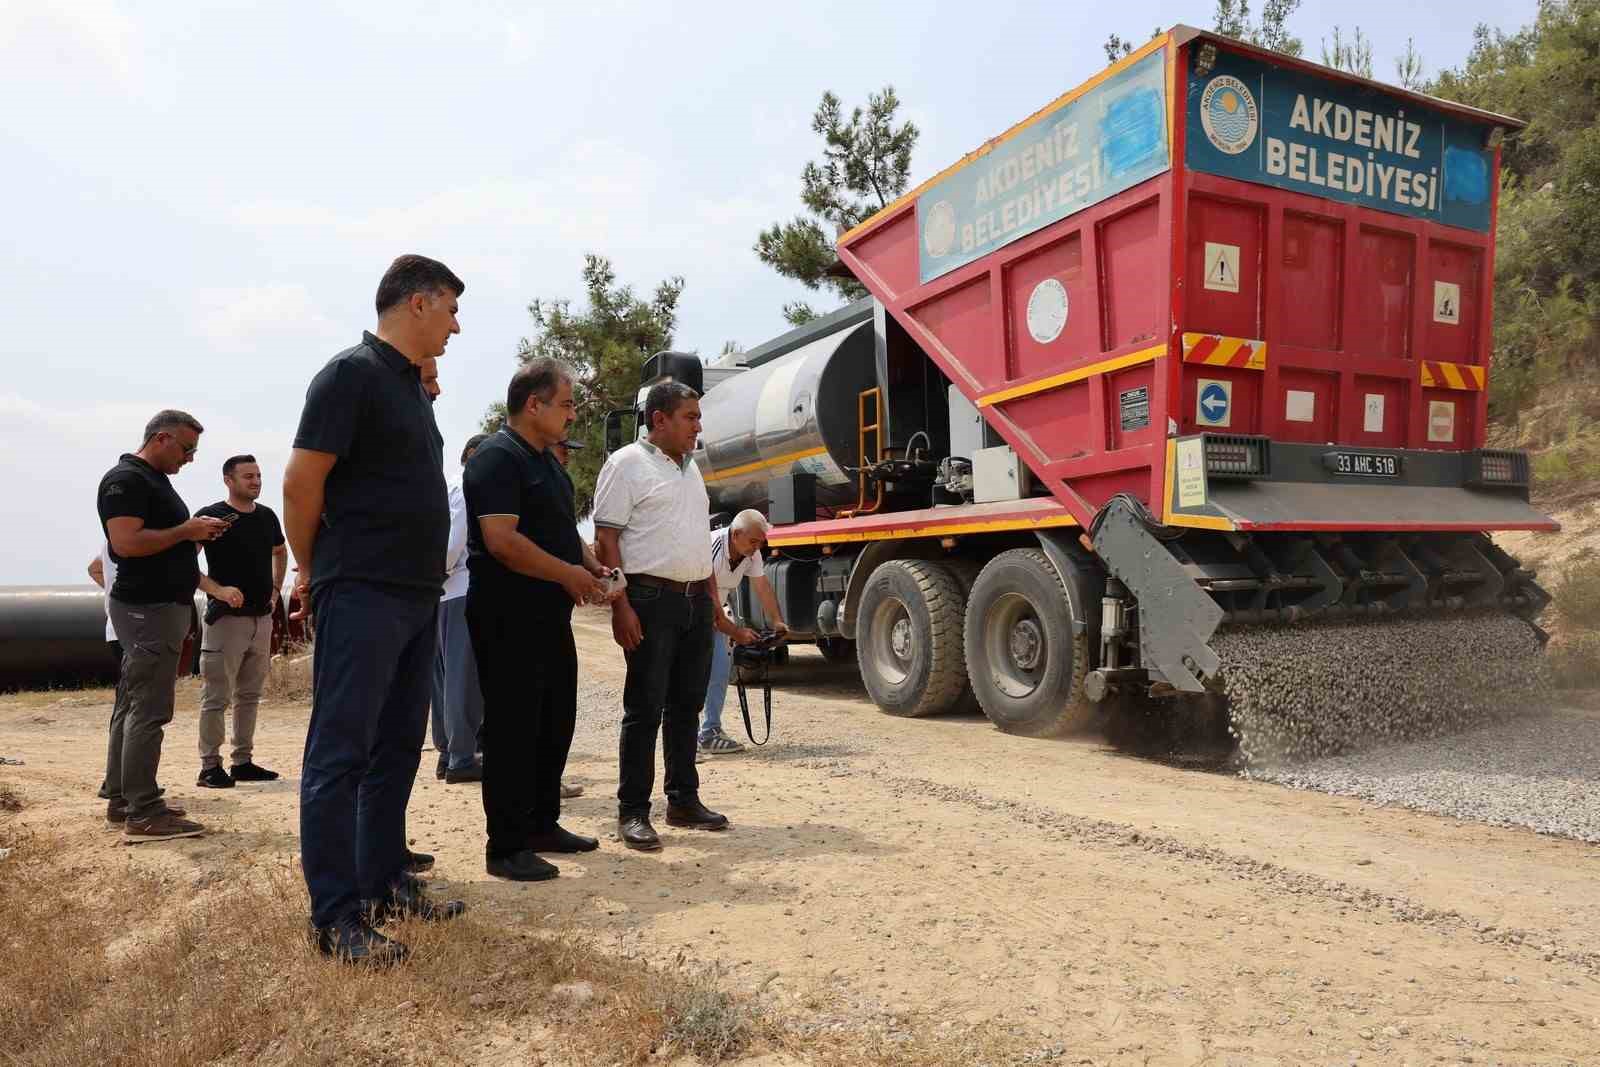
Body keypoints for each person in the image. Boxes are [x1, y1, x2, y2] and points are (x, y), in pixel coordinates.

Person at [284, 254, 467, 965]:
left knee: (396, 748)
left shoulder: (414, 393)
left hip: (417, 595)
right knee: (341, 753)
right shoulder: (349, 376)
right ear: (417, 303)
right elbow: (302, 485)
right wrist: (312, 567)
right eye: (450, 307)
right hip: (360, 588)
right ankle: (335, 916)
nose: (456, 324)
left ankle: (384, 880)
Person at [465, 359, 612, 881]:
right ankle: (505, 846)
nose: (573, 415)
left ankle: (541, 824)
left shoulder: (546, 462)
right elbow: (502, 541)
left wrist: (592, 565)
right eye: (567, 404)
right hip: (508, 614)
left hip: (549, 616)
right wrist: (569, 575)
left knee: (555, 721)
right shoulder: (496, 459)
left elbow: (560, 530)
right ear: (535, 404)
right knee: (512, 729)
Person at [593, 381, 730, 851]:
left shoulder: (691, 470)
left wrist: (712, 603)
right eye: (690, 416)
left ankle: (683, 801)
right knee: (645, 708)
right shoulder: (626, 465)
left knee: (687, 705)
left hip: (695, 600)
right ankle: (632, 811)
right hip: (650, 600)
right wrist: (620, 604)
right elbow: (606, 541)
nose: (698, 425)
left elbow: (698, 543)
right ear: (659, 420)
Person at [97, 410, 229, 842]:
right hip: (146, 609)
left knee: (133, 704)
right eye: (187, 448)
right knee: (149, 709)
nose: (190, 458)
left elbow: (154, 536)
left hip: (158, 606)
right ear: (161, 438)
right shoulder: (125, 481)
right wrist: (185, 530)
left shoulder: (150, 481)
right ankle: (144, 812)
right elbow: (127, 543)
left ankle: (124, 799)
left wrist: (192, 534)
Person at [193, 455, 288, 788]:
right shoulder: (211, 516)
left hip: (260, 620)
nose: (256, 481)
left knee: (249, 695)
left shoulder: (266, 517)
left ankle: (242, 762)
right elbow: (184, 566)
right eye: (248, 476)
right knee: (216, 696)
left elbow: (280, 550)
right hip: (225, 622)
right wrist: (217, 590)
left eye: (259, 475)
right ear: (228, 480)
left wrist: (276, 590)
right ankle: (209, 767)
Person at [699, 510, 786, 755]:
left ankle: (710, 732)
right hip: (696, 611)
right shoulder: (711, 549)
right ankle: (686, 739)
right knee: (693, 675)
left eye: (760, 542)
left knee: (719, 670)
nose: (757, 548)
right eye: (753, 541)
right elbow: (709, 601)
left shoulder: (751, 553)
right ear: (736, 534)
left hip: (716, 611)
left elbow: (762, 585)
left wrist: (778, 621)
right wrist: (737, 632)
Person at [432, 433, 488, 784]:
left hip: (445, 591)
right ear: (471, 455)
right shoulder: (468, 485)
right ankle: (461, 757)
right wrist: (441, 571)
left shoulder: (450, 485)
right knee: (461, 679)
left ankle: (447, 753)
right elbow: (453, 542)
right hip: (461, 587)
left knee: (445, 677)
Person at [547, 435, 588, 803]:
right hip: (528, 609)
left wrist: (595, 568)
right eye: (564, 449)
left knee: (557, 709)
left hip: (557, 611)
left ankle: (547, 789)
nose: (568, 458)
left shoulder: (557, 483)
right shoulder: (514, 470)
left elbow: (571, 538)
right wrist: (570, 574)